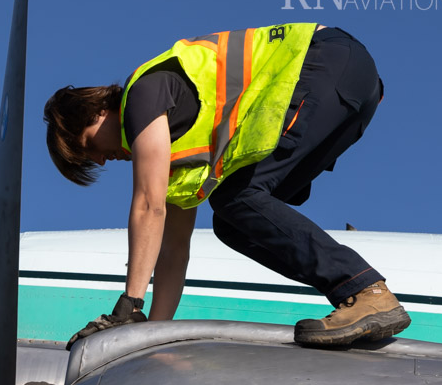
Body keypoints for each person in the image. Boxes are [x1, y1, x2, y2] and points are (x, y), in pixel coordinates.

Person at [44, 23, 409, 348]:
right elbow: (173, 252)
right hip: (351, 85)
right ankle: (360, 298)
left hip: (324, 61)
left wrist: (128, 307)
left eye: (88, 146)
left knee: (235, 198)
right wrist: (150, 336)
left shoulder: (141, 95)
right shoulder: (177, 159)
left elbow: (147, 205)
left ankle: (364, 290)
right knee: (233, 220)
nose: (101, 160)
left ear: (97, 111)